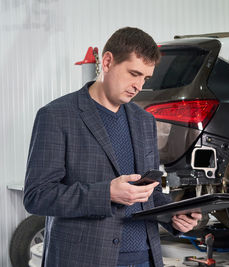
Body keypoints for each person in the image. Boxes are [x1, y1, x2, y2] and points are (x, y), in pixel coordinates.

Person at [23, 27, 201, 267]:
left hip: (144, 258)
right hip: (85, 259)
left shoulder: (144, 120)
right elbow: (37, 196)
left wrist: (175, 215)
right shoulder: (56, 116)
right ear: (107, 62)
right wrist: (106, 194)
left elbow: (149, 192)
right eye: (133, 74)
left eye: (145, 78)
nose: (138, 86)